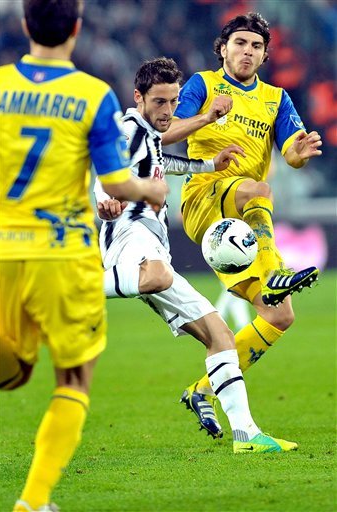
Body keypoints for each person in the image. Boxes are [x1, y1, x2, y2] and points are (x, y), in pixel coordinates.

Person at [0, 1, 167, 511]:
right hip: (63, 254)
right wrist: (150, 191)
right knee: (72, 378)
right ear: (77, 28)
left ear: (25, 24)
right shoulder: (93, 96)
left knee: (15, 369)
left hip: (3, 249)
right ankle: (32, 502)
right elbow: (115, 181)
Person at [95, 56, 298, 456]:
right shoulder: (129, 126)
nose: (169, 111)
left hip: (153, 242)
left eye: (173, 101)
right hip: (130, 232)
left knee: (219, 334)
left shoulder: (149, 135)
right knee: (156, 276)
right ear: (139, 98)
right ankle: (69, 285)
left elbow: (161, 163)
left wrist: (209, 163)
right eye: (160, 102)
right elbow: (108, 169)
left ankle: (246, 435)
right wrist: (105, 200)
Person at [162, 12, 322, 438]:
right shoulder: (202, 85)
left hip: (238, 227)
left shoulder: (276, 98)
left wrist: (300, 152)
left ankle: (201, 391)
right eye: (239, 44)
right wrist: (206, 118)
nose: (246, 51)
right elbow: (167, 133)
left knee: (280, 315)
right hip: (203, 198)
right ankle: (274, 272)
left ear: (265, 54)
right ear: (223, 49)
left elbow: (290, 152)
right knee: (258, 189)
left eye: (255, 46)